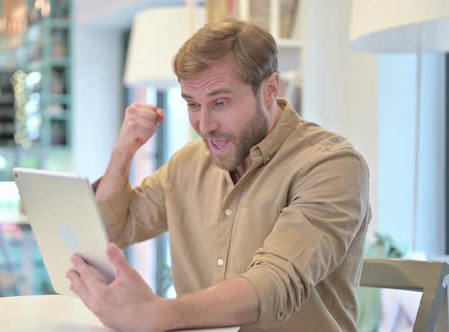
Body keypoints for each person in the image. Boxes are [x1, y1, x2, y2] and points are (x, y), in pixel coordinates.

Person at [66, 17, 371, 332]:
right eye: (193, 104)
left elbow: (274, 284)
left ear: (270, 89)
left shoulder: (332, 165)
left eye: (220, 102)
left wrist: (157, 313)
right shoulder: (188, 163)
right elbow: (112, 232)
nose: (204, 125)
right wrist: (121, 154)